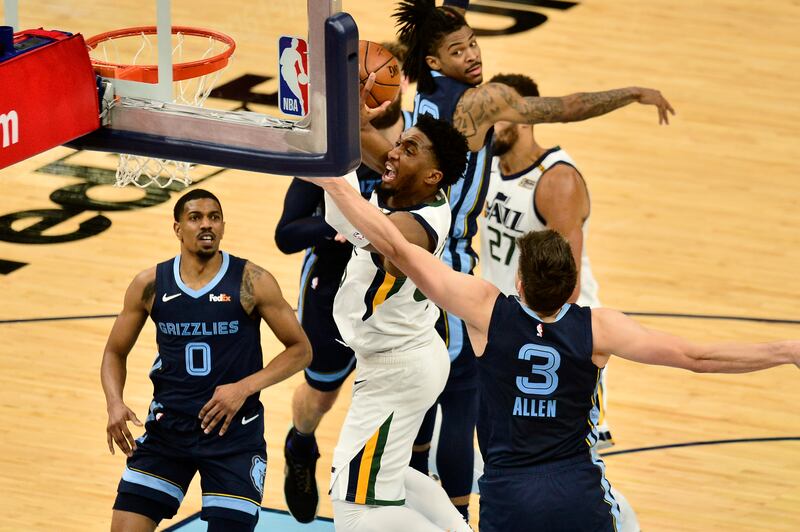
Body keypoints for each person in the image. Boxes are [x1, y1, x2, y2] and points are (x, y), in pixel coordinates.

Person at [307, 175, 800, 532]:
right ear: (572, 291)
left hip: (508, 496)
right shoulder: (597, 328)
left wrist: (335, 184)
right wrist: (786, 349)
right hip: (576, 491)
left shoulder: (487, 311)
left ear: (519, 282)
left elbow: (396, 243)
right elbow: (697, 357)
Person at [385, 0, 675, 520]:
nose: (473, 54)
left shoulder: (422, 94)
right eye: (458, 50)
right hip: (445, 255)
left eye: (473, 42)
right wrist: (631, 93)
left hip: (413, 255)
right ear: (433, 59)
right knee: (460, 395)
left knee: (423, 393)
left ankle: (416, 489)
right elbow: (567, 105)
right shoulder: (484, 100)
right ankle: (458, 514)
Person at [479, 72, 639, 530]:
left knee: (578, 462)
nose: (488, 126)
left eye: (498, 116)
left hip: (563, 336)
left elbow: (565, 277)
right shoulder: (489, 168)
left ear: (526, 115)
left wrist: (548, 335)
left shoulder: (557, 181)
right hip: (514, 331)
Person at [101, 189, 312, 532]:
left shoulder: (252, 281)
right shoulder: (150, 284)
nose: (206, 225)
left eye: (214, 217)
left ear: (223, 226)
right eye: (195, 217)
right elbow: (114, 352)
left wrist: (242, 389)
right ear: (177, 228)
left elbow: (301, 350)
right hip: (169, 431)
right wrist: (114, 403)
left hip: (234, 438)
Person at [276, 42, 414, 524]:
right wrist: (335, 228)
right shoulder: (332, 146)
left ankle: (399, 489)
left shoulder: (418, 142)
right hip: (334, 286)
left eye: (383, 77)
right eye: (361, 82)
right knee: (322, 391)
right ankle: (300, 446)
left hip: (399, 289)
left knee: (408, 390)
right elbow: (285, 234)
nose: (373, 88)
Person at [323, 97, 473, 531]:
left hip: (398, 369)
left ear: (433, 175)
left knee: (354, 508)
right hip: (406, 358)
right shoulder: (410, 184)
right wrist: (342, 113)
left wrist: (333, 181)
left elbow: (385, 245)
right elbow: (364, 148)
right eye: (400, 142)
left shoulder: (415, 227)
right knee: (382, 477)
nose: (393, 152)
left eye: (409, 149)